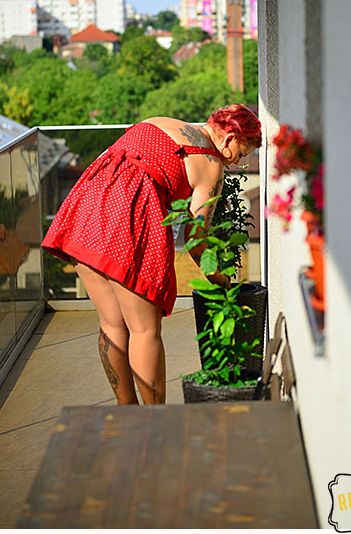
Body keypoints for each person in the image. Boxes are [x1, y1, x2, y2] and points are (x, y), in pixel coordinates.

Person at [41, 104, 262, 406]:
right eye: (242, 151)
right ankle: (156, 418)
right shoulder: (210, 164)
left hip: (87, 209)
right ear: (229, 138)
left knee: (111, 324)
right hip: (127, 223)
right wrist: (220, 278)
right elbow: (195, 237)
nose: (240, 161)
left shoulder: (161, 121)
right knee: (144, 329)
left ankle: (126, 407)